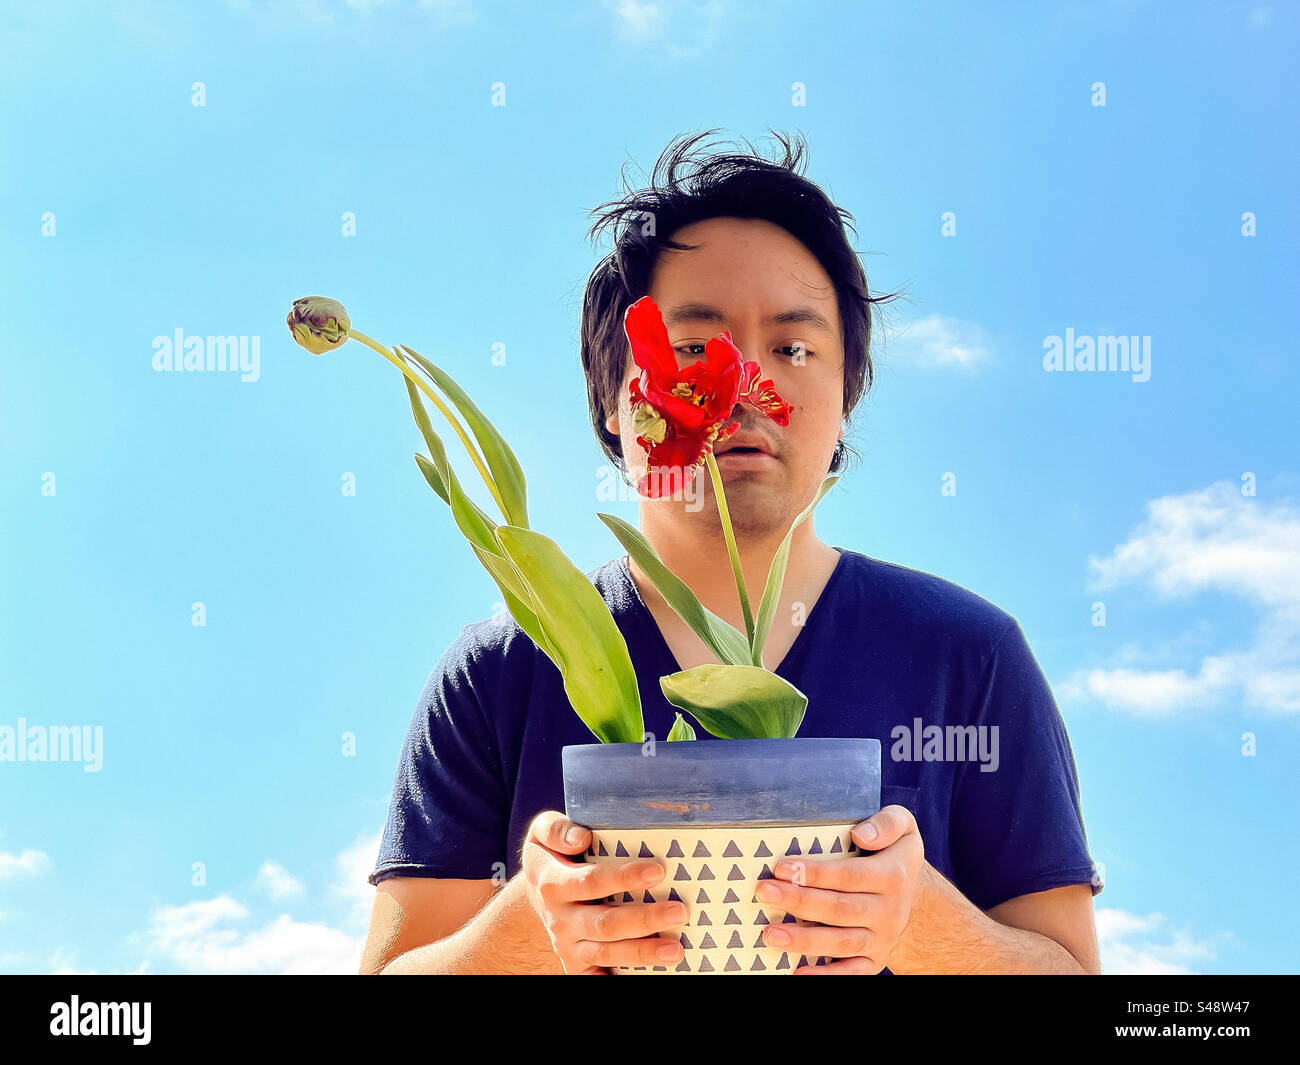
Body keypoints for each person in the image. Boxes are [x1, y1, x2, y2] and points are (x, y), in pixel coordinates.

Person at [359, 129, 1102, 975]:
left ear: (845, 395)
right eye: (690, 347)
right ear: (616, 398)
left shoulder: (968, 654)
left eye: (793, 347)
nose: (746, 380)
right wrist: (534, 920)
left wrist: (917, 916)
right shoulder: (500, 667)